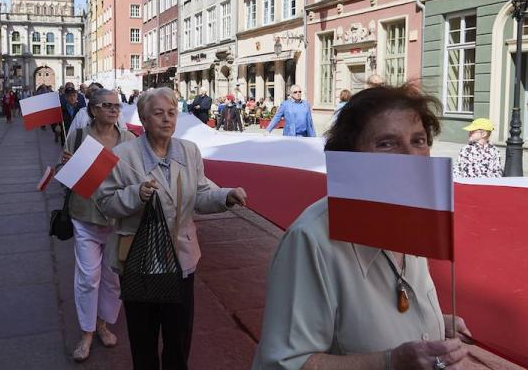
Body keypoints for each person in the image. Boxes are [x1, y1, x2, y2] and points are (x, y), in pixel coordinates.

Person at [252, 83, 472, 370]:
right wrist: (390, 362)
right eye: (387, 143)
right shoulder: (311, 239)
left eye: (419, 140)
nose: (411, 156)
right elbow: (282, 364)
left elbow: (378, 312)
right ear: (349, 155)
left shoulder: (412, 218)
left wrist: (433, 321)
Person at [96, 87, 248, 370]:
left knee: (179, 341)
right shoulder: (122, 155)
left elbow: (201, 193)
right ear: (143, 118)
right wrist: (135, 194)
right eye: (158, 113)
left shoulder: (189, 151)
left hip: (180, 262)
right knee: (143, 342)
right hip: (139, 264)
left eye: (172, 113)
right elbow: (105, 204)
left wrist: (225, 196)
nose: (167, 119)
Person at [59, 89, 136, 362]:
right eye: (107, 105)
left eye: (118, 106)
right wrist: (66, 163)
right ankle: (87, 332)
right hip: (85, 214)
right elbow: (65, 171)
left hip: (117, 219)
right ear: (92, 109)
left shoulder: (128, 140)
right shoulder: (79, 135)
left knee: (112, 278)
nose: (114, 110)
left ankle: (103, 323)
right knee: (88, 278)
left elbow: (137, 175)